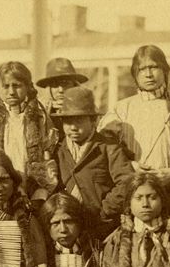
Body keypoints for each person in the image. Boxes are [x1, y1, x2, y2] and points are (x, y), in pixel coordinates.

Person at [99, 44, 170, 222]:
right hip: (135, 197)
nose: (148, 74)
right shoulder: (122, 109)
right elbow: (106, 148)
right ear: (135, 74)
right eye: (142, 69)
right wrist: (131, 166)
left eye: (154, 67)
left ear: (165, 70)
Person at [50, 86, 134, 240]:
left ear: (93, 120)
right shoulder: (58, 150)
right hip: (69, 229)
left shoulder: (108, 147)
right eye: (68, 122)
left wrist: (105, 211)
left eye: (80, 121)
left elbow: (126, 182)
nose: (74, 127)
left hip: (104, 227)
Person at [0, 62, 59, 202]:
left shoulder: (39, 115)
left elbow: (46, 156)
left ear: (27, 86)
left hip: (33, 185)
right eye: (6, 86)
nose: (11, 92)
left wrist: (43, 188)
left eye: (17, 86)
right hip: (1, 187)